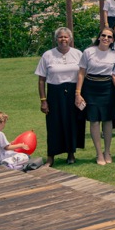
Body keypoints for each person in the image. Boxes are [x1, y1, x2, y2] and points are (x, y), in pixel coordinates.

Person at [35, 27, 85, 166]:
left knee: (72, 123)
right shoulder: (48, 55)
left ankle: (71, 153)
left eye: (66, 37)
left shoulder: (78, 54)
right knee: (54, 125)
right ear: (56, 39)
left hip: (73, 92)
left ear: (70, 39)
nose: (63, 39)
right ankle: (51, 157)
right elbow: (41, 80)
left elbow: (82, 74)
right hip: (55, 92)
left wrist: (79, 94)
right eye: (60, 37)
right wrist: (43, 100)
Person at [75, 27, 115, 165]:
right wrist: (78, 93)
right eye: (104, 35)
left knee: (107, 120)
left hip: (108, 88)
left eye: (109, 37)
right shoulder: (88, 52)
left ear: (113, 40)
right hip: (91, 88)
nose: (106, 38)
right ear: (99, 37)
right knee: (94, 120)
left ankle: (107, 151)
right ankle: (99, 153)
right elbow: (81, 73)